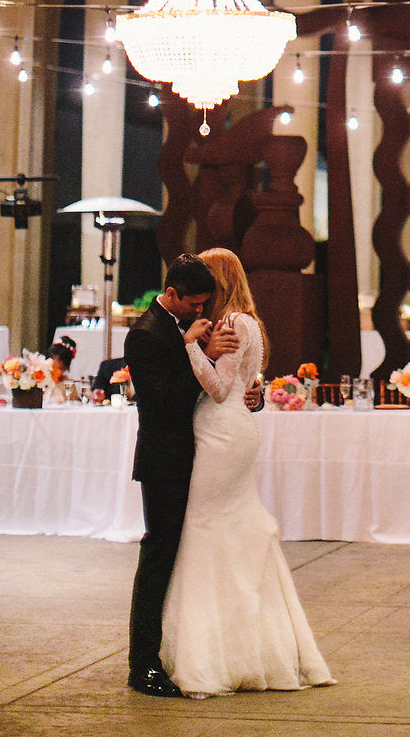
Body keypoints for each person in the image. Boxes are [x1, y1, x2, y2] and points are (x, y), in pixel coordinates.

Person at [160, 247, 333, 698]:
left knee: (204, 529)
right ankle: (253, 644)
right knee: (233, 533)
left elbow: (218, 389)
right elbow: (248, 384)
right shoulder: (249, 321)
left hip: (221, 433)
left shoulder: (233, 323)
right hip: (235, 429)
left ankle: (212, 652)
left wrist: (188, 350)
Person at [125, 253, 239, 698]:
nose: (200, 311)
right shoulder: (144, 335)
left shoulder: (181, 327)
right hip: (164, 460)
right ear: (171, 294)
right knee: (158, 557)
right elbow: (167, 401)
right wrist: (202, 355)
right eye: (193, 303)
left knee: (185, 557)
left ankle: (178, 651)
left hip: (196, 455)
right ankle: (143, 664)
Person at [45, 335, 77, 401]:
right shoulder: (42, 376)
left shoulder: (68, 384)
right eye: (58, 359)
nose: (60, 363)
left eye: (63, 360)